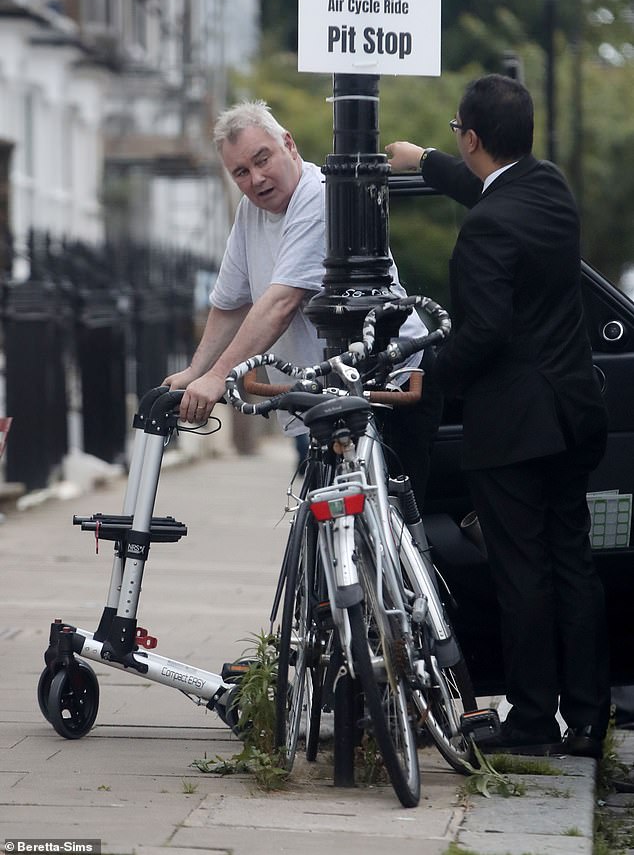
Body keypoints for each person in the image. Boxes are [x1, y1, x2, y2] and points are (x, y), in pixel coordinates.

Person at [386, 74, 610, 759]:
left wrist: (424, 377)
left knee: (522, 574)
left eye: (460, 134)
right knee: (572, 563)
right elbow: (486, 185)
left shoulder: (485, 229)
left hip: (514, 428)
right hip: (573, 414)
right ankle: (589, 718)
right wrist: (425, 159)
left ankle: (534, 722)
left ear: (475, 136)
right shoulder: (550, 190)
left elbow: (480, 335)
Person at [165, 99, 440, 505]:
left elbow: (279, 304)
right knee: (324, 524)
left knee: (389, 524)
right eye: (241, 171)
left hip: (389, 382)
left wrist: (216, 376)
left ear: (289, 145)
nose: (256, 179)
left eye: (263, 159)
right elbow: (229, 304)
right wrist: (195, 370)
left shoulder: (320, 196)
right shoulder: (250, 212)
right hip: (322, 391)